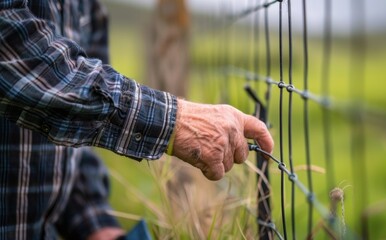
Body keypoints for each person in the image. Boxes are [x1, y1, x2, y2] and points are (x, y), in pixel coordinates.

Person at [0, 0, 274, 239]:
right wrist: (175, 122)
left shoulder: (87, 6)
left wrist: (95, 225)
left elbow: (72, 120)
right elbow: (10, 47)